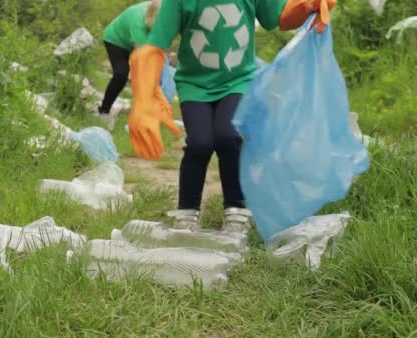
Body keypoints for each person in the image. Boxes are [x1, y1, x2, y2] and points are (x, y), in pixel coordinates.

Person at [127, 0, 336, 231]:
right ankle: (187, 212)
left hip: (238, 81)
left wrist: (307, 5)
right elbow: (155, 46)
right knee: (199, 143)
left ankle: (236, 210)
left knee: (228, 137)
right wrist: (143, 99)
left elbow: (279, 17)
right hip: (194, 85)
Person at [98, 0, 162, 122]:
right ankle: (104, 110)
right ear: (149, 17)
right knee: (121, 74)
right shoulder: (138, 23)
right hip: (116, 39)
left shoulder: (161, 10)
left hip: (134, 39)